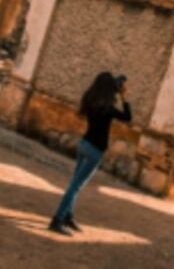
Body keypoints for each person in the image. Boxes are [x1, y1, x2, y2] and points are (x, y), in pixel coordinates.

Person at [48, 72, 131, 236]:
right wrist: (124, 97)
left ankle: (67, 217)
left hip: (83, 145)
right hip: (95, 151)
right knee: (75, 187)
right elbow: (127, 117)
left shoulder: (90, 99)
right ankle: (56, 220)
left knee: (75, 184)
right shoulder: (108, 108)